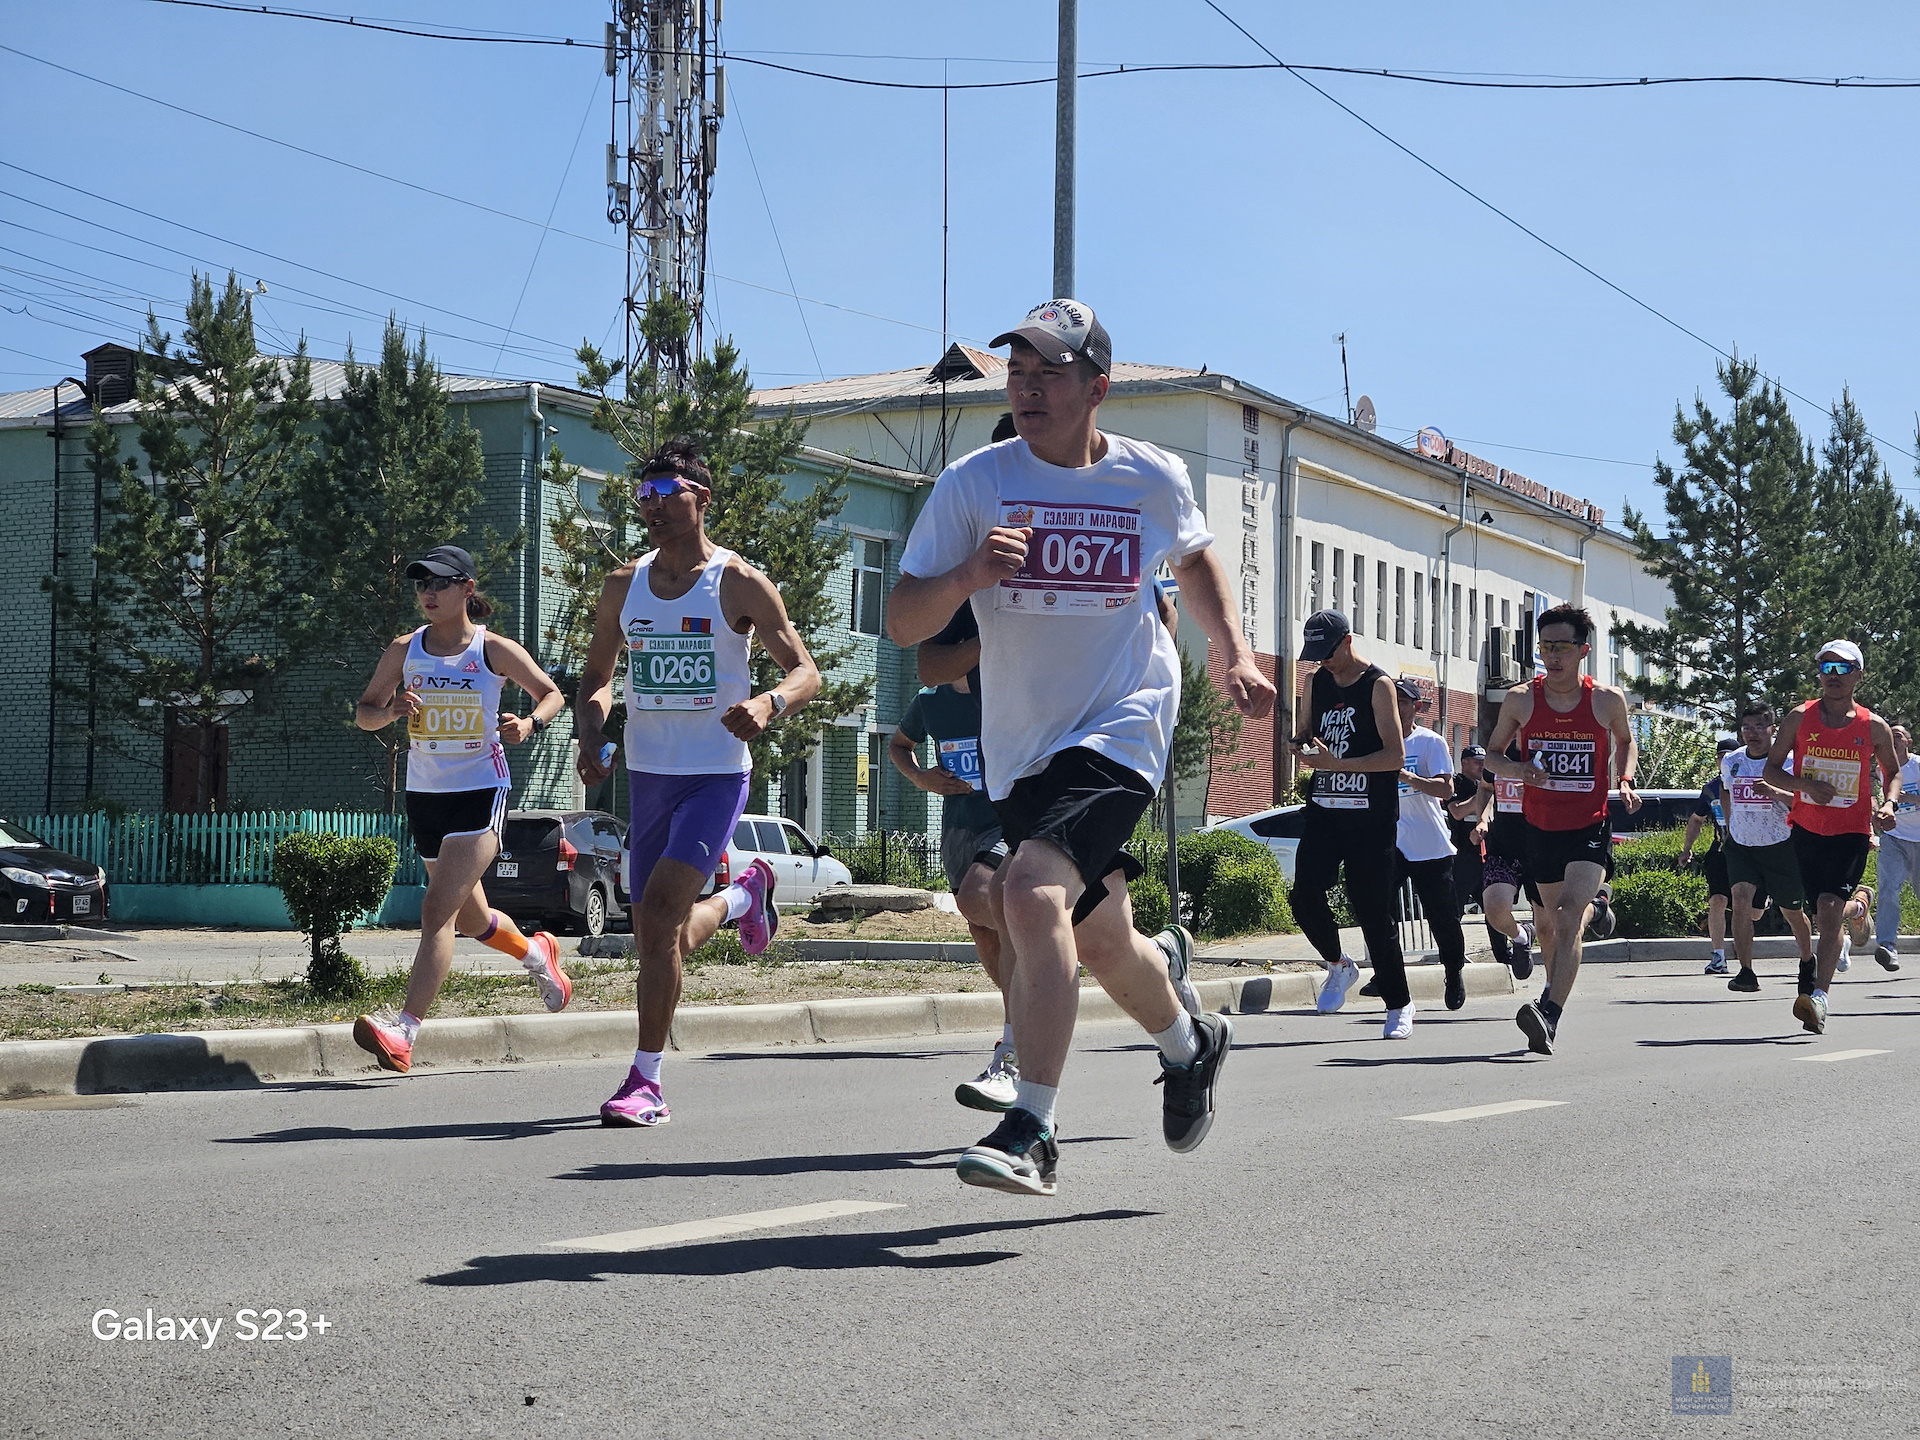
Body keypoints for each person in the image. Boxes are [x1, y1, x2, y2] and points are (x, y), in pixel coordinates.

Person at [888, 298, 1273, 1196]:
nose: (1027, 388)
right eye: (1017, 373)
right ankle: (1189, 1043)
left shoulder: (1150, 476)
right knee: (1100, 939)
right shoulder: (974, 485)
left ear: (1097, 389)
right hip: (1023, 743)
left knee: (1027, 892)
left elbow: (1194, 556)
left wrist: (1234, 651)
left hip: (1124, 719)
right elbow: (905, 621)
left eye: (1048, 373)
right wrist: (970, 574)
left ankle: (1033, 1127)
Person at [574, 439, 822, 1126]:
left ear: (701, 499)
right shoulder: (623, 585)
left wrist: (770, 703)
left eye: (666, 493)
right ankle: (744, 897)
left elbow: (806, 672)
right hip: (648, 775)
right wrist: (591, 736)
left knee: (656, 919)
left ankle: (646, 1082)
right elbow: (596, 679)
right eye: (643, 495)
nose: (651, 506)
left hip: (715, 776)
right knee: (660, 938)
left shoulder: (737, 582)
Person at [350, 545, 572, 1073]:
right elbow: (364, 714)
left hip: (480, 789)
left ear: (467, 589)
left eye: (439, 583)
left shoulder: (492, 649)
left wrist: (529, 724)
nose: (427, 593)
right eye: (421, 584)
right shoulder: (404, 650)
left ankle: (404, 1032)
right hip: (426, 795)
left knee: (436, 913)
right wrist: (391, 711)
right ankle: (538, 955)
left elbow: (552, 694)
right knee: (471, 919)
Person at [1485, 605, 1640, 1056]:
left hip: (1588, 826)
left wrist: (1625, 779)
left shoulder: (1605, 700)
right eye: (1546, 647)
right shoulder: (1521, 700)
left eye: (1562, 647)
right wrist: (1520, 770)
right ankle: (1599, 909)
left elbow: (1625, 741)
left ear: (1583, 651)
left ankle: (1549, 1013)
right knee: (1553, 925)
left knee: (1568, 915)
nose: (1553, 656)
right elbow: (1492, 755)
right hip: (1539, 827)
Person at [889, 677, 1020, 1110]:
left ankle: (1050, 936)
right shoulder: (929, 701)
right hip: (958, 827)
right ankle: (1024, 1017)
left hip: (1005, 821)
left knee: (978, 895)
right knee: (985, 932)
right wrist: (921, 777)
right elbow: (899, 746)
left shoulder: (1001, 686)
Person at [1763, 639, 1902, 1036]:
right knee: (1822, 911)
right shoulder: (1799, 717)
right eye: (1827, 668)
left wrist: (1889, 804)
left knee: (1826, 909)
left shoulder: (1872, 726)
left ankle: (1819, 998)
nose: (1833, 676)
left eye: (1843, 668)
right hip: (1807, 828)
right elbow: (1771, 770)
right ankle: (1859, 907)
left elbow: (1892, 773)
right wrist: (1804, 785)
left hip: (1851, 832)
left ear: (1859, 674)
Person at [1288, 610, 1413, 1037]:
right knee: (1304, 895)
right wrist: (1299, 745)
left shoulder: (1378, 685)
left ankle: (1399, 1004)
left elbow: (1395, 757)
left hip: (1370, 816)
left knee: (1372, 910)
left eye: (1327, 652)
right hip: (1325, 809)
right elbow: (1305, 732)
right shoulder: (1315, 682)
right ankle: (1339, 964)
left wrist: (1337, 763)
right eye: (1315, 654)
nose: (1322, 661)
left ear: (1347, 641)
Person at [1718, 703, 1810, 994]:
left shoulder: (1789, 762)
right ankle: (1746, 972)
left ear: (1773, 729)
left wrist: (1774, 792)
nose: (1752, 734)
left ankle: (1808, 961)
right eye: (1747, 728)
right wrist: (1730, 826)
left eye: (1759, 727)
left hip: (1780, 845)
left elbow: (1805, 803)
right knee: (1740, 901)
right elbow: (1725, 791)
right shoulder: (1732, 760)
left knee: (1792, 912)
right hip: (1742, 845)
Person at [1389, 678, 1469, 1010]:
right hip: (1391, 840)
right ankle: (1387, 972)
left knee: (1441, 917)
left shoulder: (1429, 742)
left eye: (1402, 702)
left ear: (1416, 707)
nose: (1396, 707)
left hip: (1429, 843)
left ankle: (1454, 970)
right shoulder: (1377, 742)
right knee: (1378, 908)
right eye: (1391, 700)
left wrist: (1407, 777)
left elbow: (1446, 790)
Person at [1683, 737, 1768, 976]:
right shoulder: (1710, 789)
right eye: (1720, 757)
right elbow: (1696, 819)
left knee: (1754, 913)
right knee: (1717, 900)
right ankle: (1718, 957)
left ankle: (1765, 899)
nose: (1724, 761)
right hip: (1721, 851)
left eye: (1728, 756)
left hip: (1752, 852)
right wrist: (1687, 848)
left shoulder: (1751, 782)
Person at [1467, 742, 1539, 980]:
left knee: (1549, 925)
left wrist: (1536, 794)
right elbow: (1486, 787)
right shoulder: (1499, 756)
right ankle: (1521, 936)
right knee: (1495, 909)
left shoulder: (1547, 750)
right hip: (1504, 847)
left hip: (1541, 846)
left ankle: (1551, 993)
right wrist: (1482, 819)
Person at [1870, 722, 1915, 971]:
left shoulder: (1918, 766)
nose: (1894, 739)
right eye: (1890, 735)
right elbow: (1876, 798)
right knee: (1888, 889)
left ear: (1908, 742)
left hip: (1919, 839)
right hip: (1893, 837)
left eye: (1898, 736)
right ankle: (1887, 946)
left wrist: (1908, 798)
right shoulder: (1881, 769)